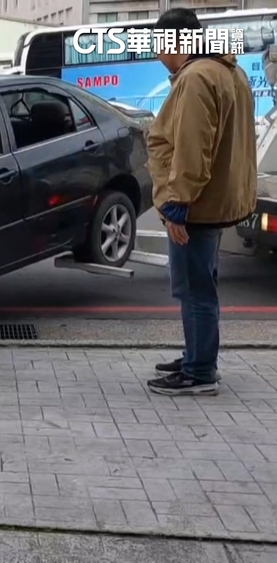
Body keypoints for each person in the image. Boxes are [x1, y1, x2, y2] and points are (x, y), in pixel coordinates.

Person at [145, 8, 257, 396]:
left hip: (196, 205)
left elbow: (193, 149)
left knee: (194, 290)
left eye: (159, 44)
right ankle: (197, 355)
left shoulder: (196, 78)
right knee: (201, 285)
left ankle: (199, 371)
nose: (158, 53)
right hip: (216, 200)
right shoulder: (230, 72)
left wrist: (178, 204)